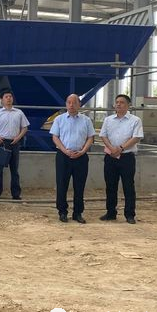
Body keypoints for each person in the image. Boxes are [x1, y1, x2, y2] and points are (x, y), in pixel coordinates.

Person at [50, 94, 95, 224]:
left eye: (74, 102)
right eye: (69, 102)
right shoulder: (59, 119)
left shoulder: (86, 120)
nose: (71, 105)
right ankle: (62, 212)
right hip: (63, 156)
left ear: (79, 105)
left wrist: (82, 151)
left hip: (81, 157)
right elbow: (55, 137)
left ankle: (78, 213)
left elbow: (90, 137)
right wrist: (65, 151)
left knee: (79, 186)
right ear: (66, 104)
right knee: (62, 185)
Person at [99, 94, 144, 224]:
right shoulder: (108, 120)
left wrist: (120, 148)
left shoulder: (135, 120)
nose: (118, 104)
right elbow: (103, 135)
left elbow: (136, 137)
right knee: (110, 185)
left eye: (122, 102)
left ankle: (129, 214)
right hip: (110, 157)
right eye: (117, 102)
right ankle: (110, 212)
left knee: (128, 186)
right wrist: (112, 148)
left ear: (128, 105)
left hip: (127, 157)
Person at [0, 90, 29, 200]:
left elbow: (25, 127)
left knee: (14, 170)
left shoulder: (19, 113)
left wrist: (18, 138)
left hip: (14, 143)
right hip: (1, 143)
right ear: (2, 99)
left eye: (10, 96)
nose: (9, 98)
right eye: (6, 97)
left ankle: (16, 194)